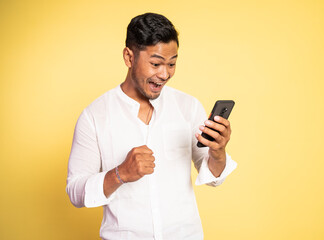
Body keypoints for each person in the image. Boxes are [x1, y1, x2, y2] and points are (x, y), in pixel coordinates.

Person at [66, 12, 237, 240]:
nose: (164, 74)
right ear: (129, 57)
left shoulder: (188, 107)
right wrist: (120, 173)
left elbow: (215, 177)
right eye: (155, 63)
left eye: (172, 64)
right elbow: (75, 192)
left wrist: (218, 152)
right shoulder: (94, 116)